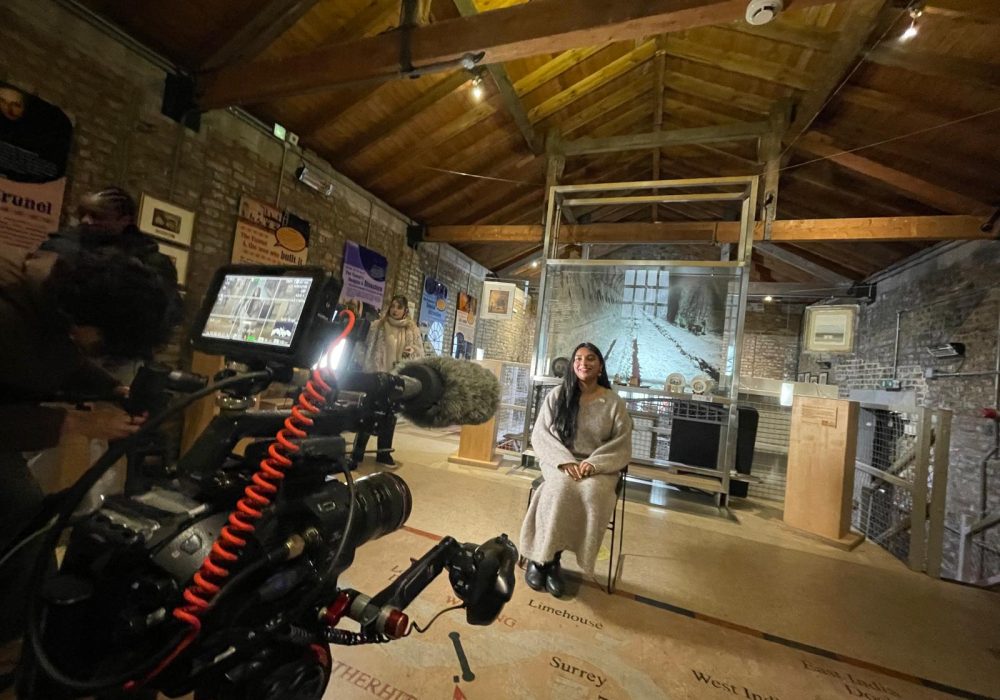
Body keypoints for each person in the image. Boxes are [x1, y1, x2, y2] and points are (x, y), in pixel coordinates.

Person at [0, 246, 174, 644]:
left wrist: (113, 388)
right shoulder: (8, 313)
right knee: (23, 519)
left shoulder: (47, 297)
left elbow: (60, 356)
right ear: (92, 323)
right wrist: (78, 423)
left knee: (29, 512)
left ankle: (26, 629)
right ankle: (15, 643)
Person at [519, 342, 633, 597]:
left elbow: (621, 444)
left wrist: (593, 464)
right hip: (558, 460)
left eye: (590, 358)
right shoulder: (558, 395)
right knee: (560, 488)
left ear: (600, 365)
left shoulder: (613, 402)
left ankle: (558, 557)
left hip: (599, 466)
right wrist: (565, 461)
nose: (584, 363)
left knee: (592, 492)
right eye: (578, 359)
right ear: (573, 365)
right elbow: (541, 435)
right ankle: (543, 559)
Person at [352, 295, 424, 467]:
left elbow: (420, 353)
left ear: (405, 310)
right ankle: (357, 452)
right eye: (393, 306)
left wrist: (411, 352)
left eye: (399, 307)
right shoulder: (378, 326)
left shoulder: (412, 330)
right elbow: (362, 346)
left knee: (389, 416)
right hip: (376, 375)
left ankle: (383, 453)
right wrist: (364, 365)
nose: (395, 310)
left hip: (395, 378)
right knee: (368, 412)